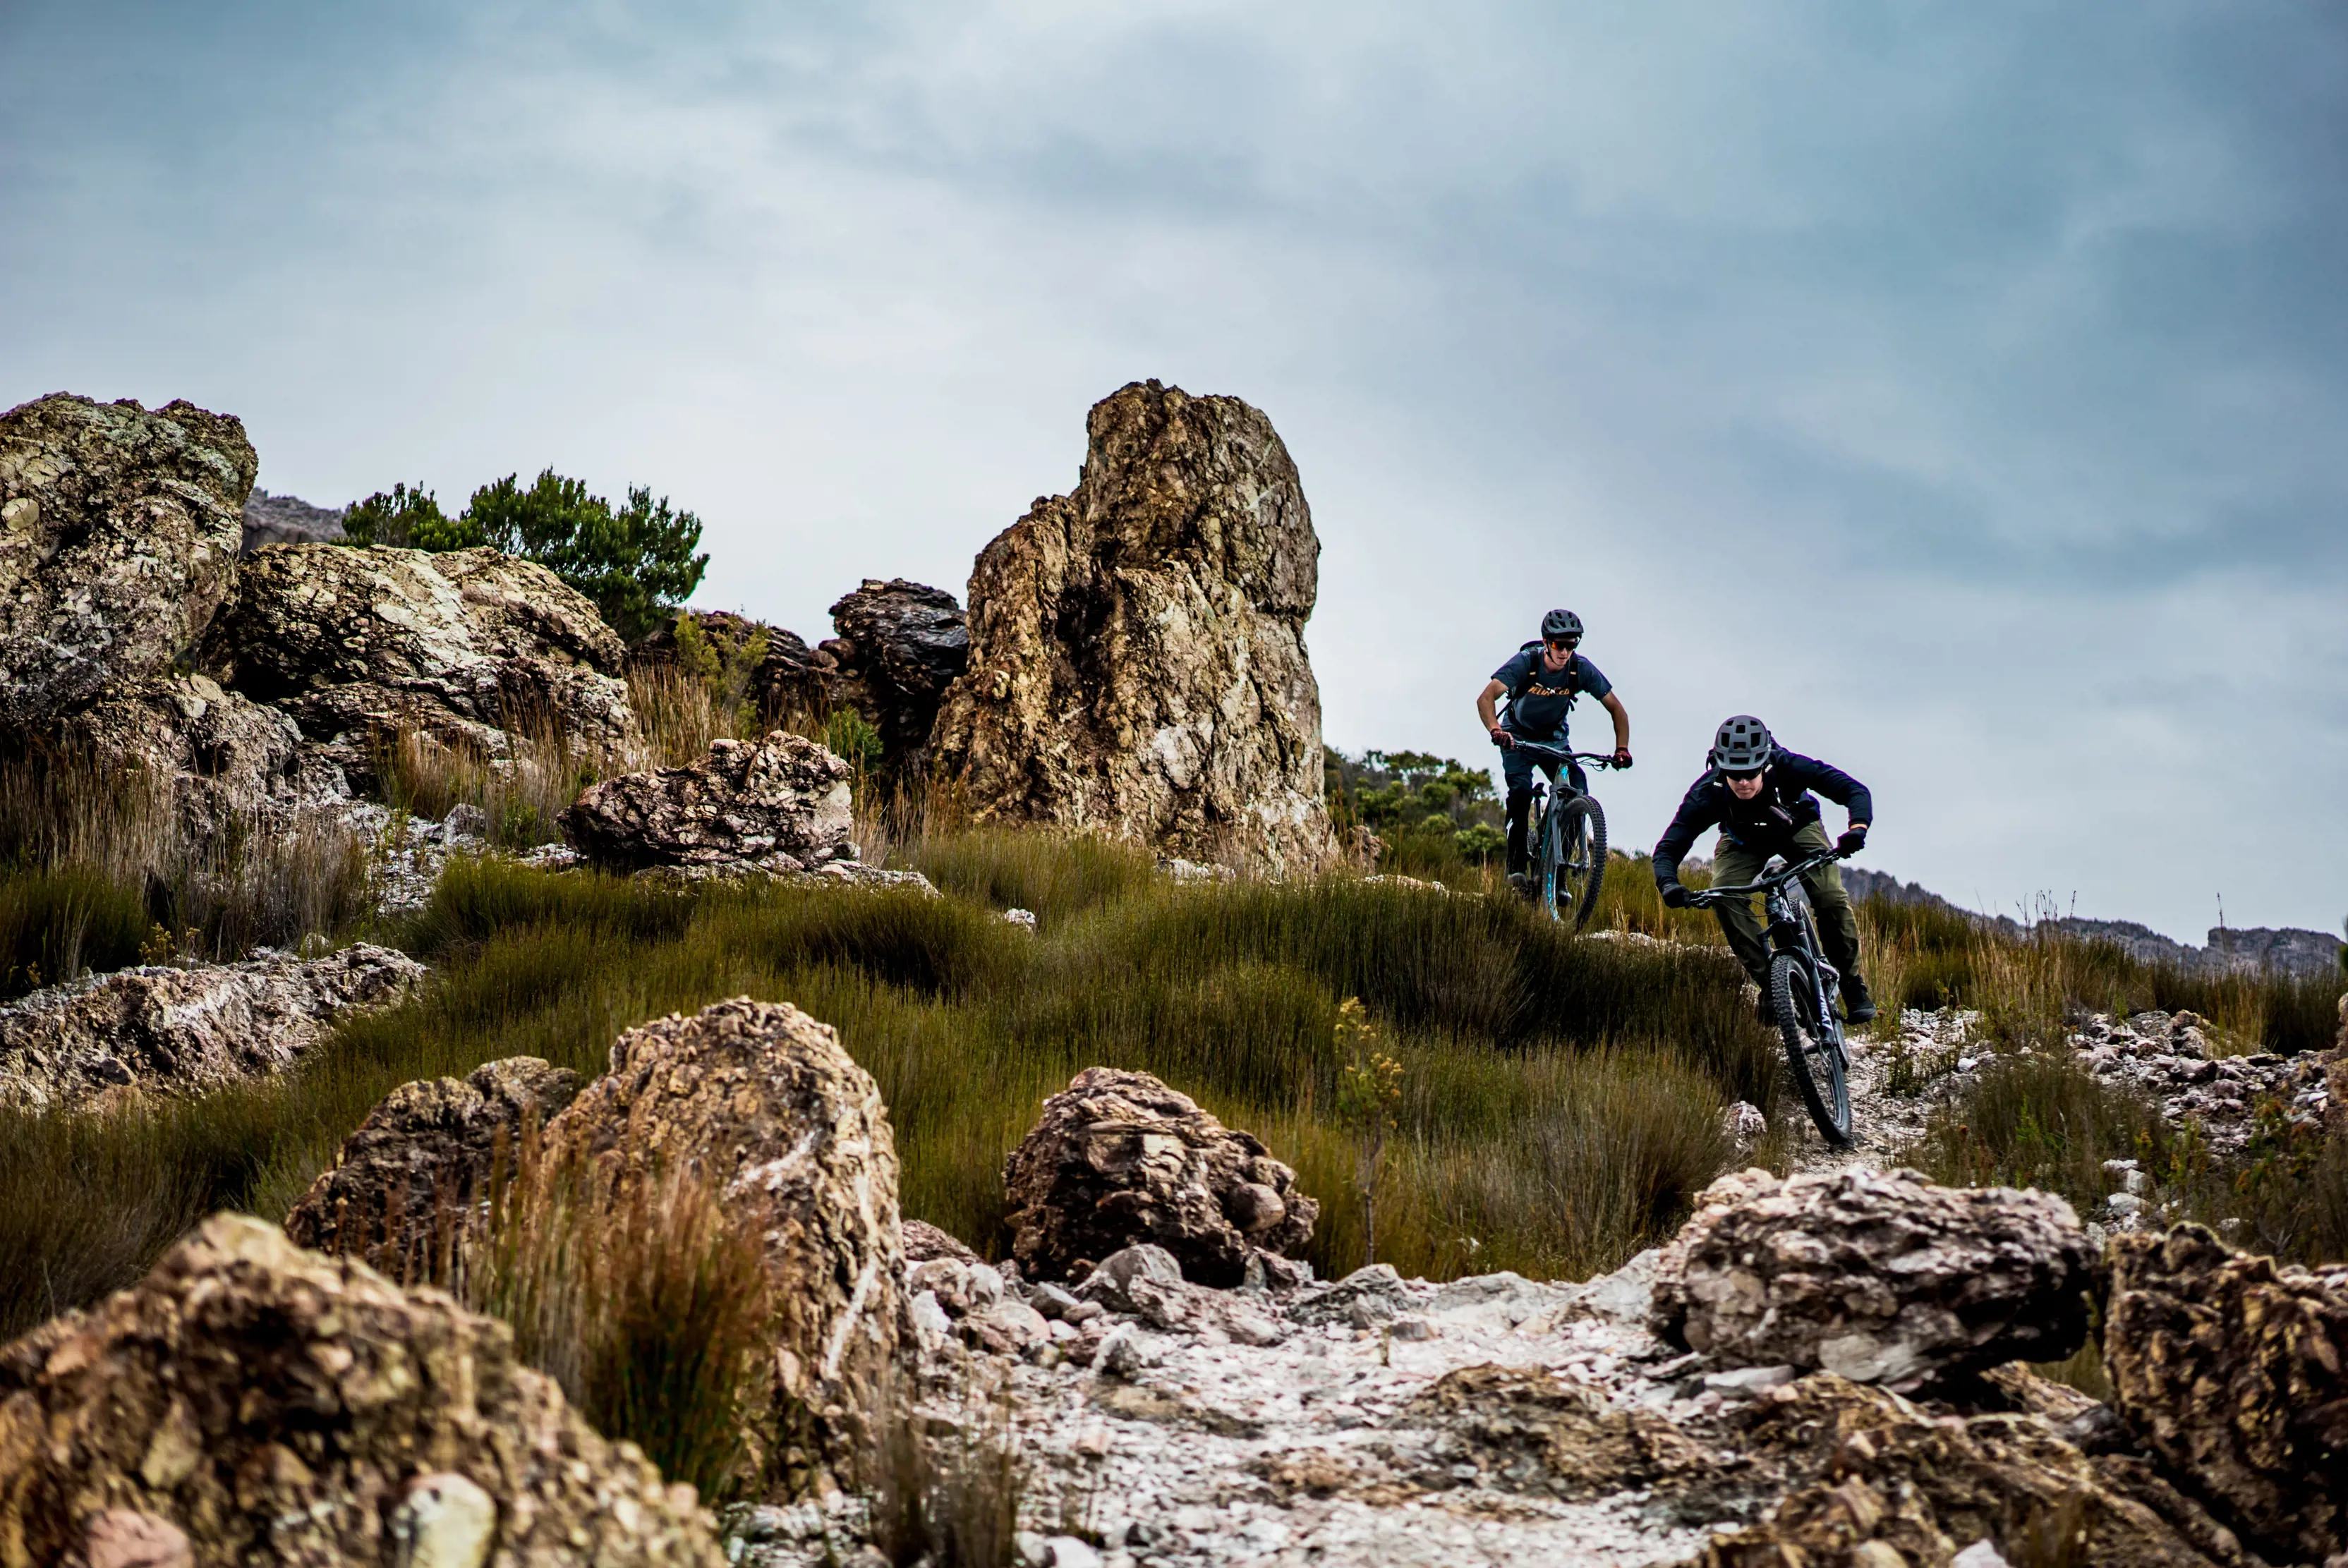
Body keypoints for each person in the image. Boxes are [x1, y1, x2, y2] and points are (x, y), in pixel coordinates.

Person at [1652, 715, 1877, 1023]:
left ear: (1764, 764)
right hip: (1742, 841)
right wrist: (1668, 885)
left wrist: (1857, 828)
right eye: (1734, 774)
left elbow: (1854, 790)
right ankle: (1772, 982)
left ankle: (1852, 984)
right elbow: (1668, 848)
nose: (1743, 782)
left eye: (1750, 773)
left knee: (1829, 897)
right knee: (1724, 895)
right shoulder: (1708, 792)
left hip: (1798, 827)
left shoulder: (1788, 767)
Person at [1476, 608, 1632, 894]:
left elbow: (1616, 709)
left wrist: (1622, 748)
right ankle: (1516, 868)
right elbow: (1486, 698)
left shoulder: (1580, 669)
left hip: (1555, 741)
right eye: (1560, 645)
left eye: (1572, 645)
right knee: (1521, 793)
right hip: (1517, 737)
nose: (1565, 652)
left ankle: (1556, 874)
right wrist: (1496, 731)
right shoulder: (1527, 663)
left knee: (1578, 789)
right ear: (1546, 643)